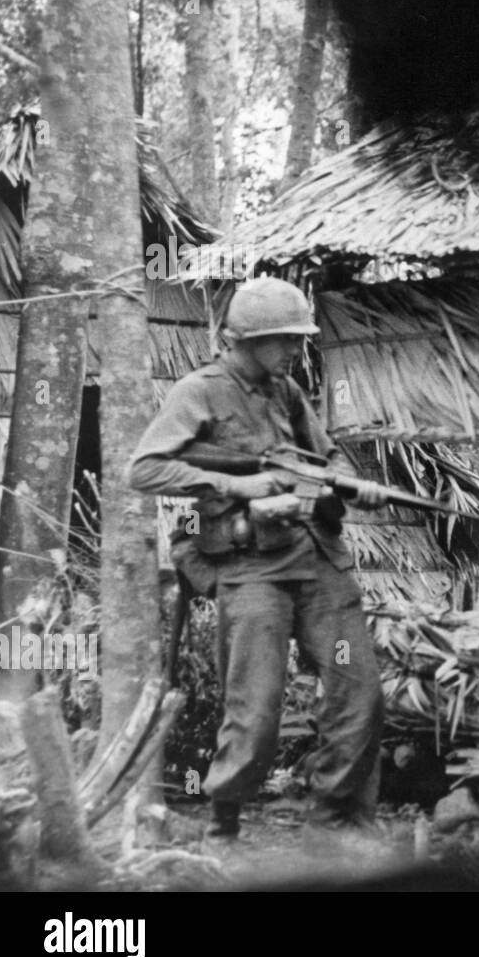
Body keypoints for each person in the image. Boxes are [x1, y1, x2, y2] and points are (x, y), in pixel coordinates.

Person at [128, 277, 390, 840]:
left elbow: (325, 455)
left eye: (297, 339)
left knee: (360, 692)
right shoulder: (199, 391)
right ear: (243, 340)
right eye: (283, 340)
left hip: (318, 558)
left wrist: (347, 482)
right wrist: (236, 485)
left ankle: (335, 818)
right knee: (257, 708)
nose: (295, 350)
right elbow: (144, 469)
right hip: (251, 568)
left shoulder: (288, 391)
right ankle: (224, 821)